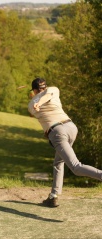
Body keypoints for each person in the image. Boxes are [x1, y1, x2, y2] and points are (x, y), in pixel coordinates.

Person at [28, 77, 102, 207]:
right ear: (45, 86)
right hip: (71, 127)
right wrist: (37, 99)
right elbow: (48, 95)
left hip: (57, 132)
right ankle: (53, 196)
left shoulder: (32, 103)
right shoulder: (54, 89)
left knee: (76, 167)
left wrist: (37, 102)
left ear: (34, 90)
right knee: (58, 162)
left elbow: (40, 103)